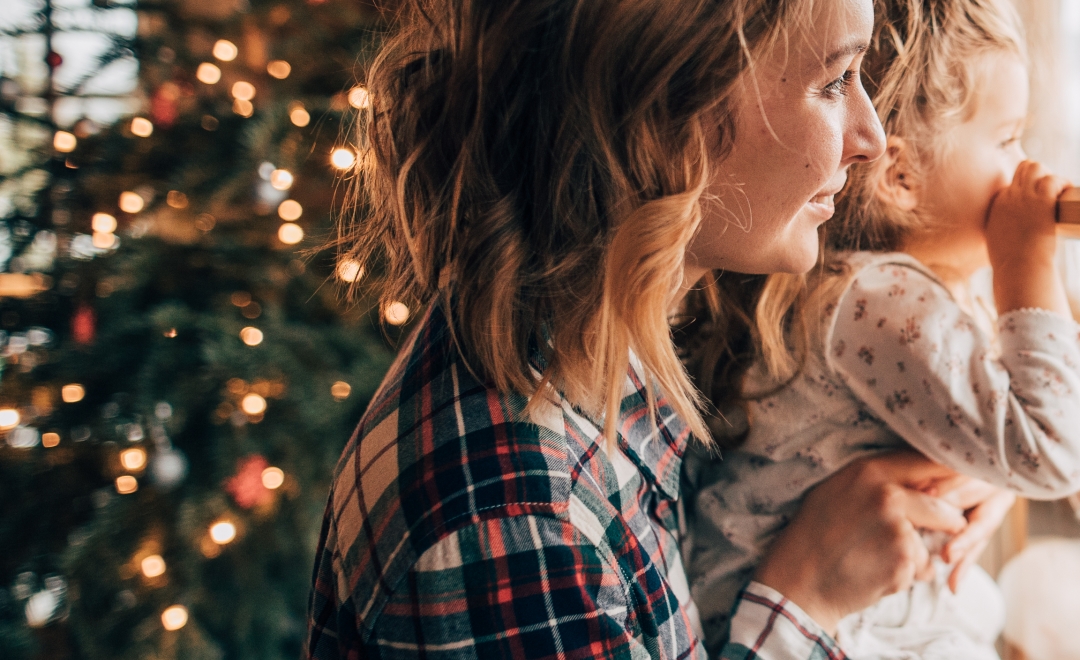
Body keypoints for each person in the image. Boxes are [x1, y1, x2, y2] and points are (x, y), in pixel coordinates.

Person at [301, 0, 990, 656]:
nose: (869, 139)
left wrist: (957, 454)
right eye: (835, 80)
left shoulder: (605, 347)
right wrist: (803, 601)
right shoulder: (516, 525)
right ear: (662, 115)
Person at [680, 0, 1080, 655]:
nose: (1024, 166)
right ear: (901, 176)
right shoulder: (879, 298)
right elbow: (1053, 450)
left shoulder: (850, 291)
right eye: (1007, 138)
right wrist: (1026, 265)